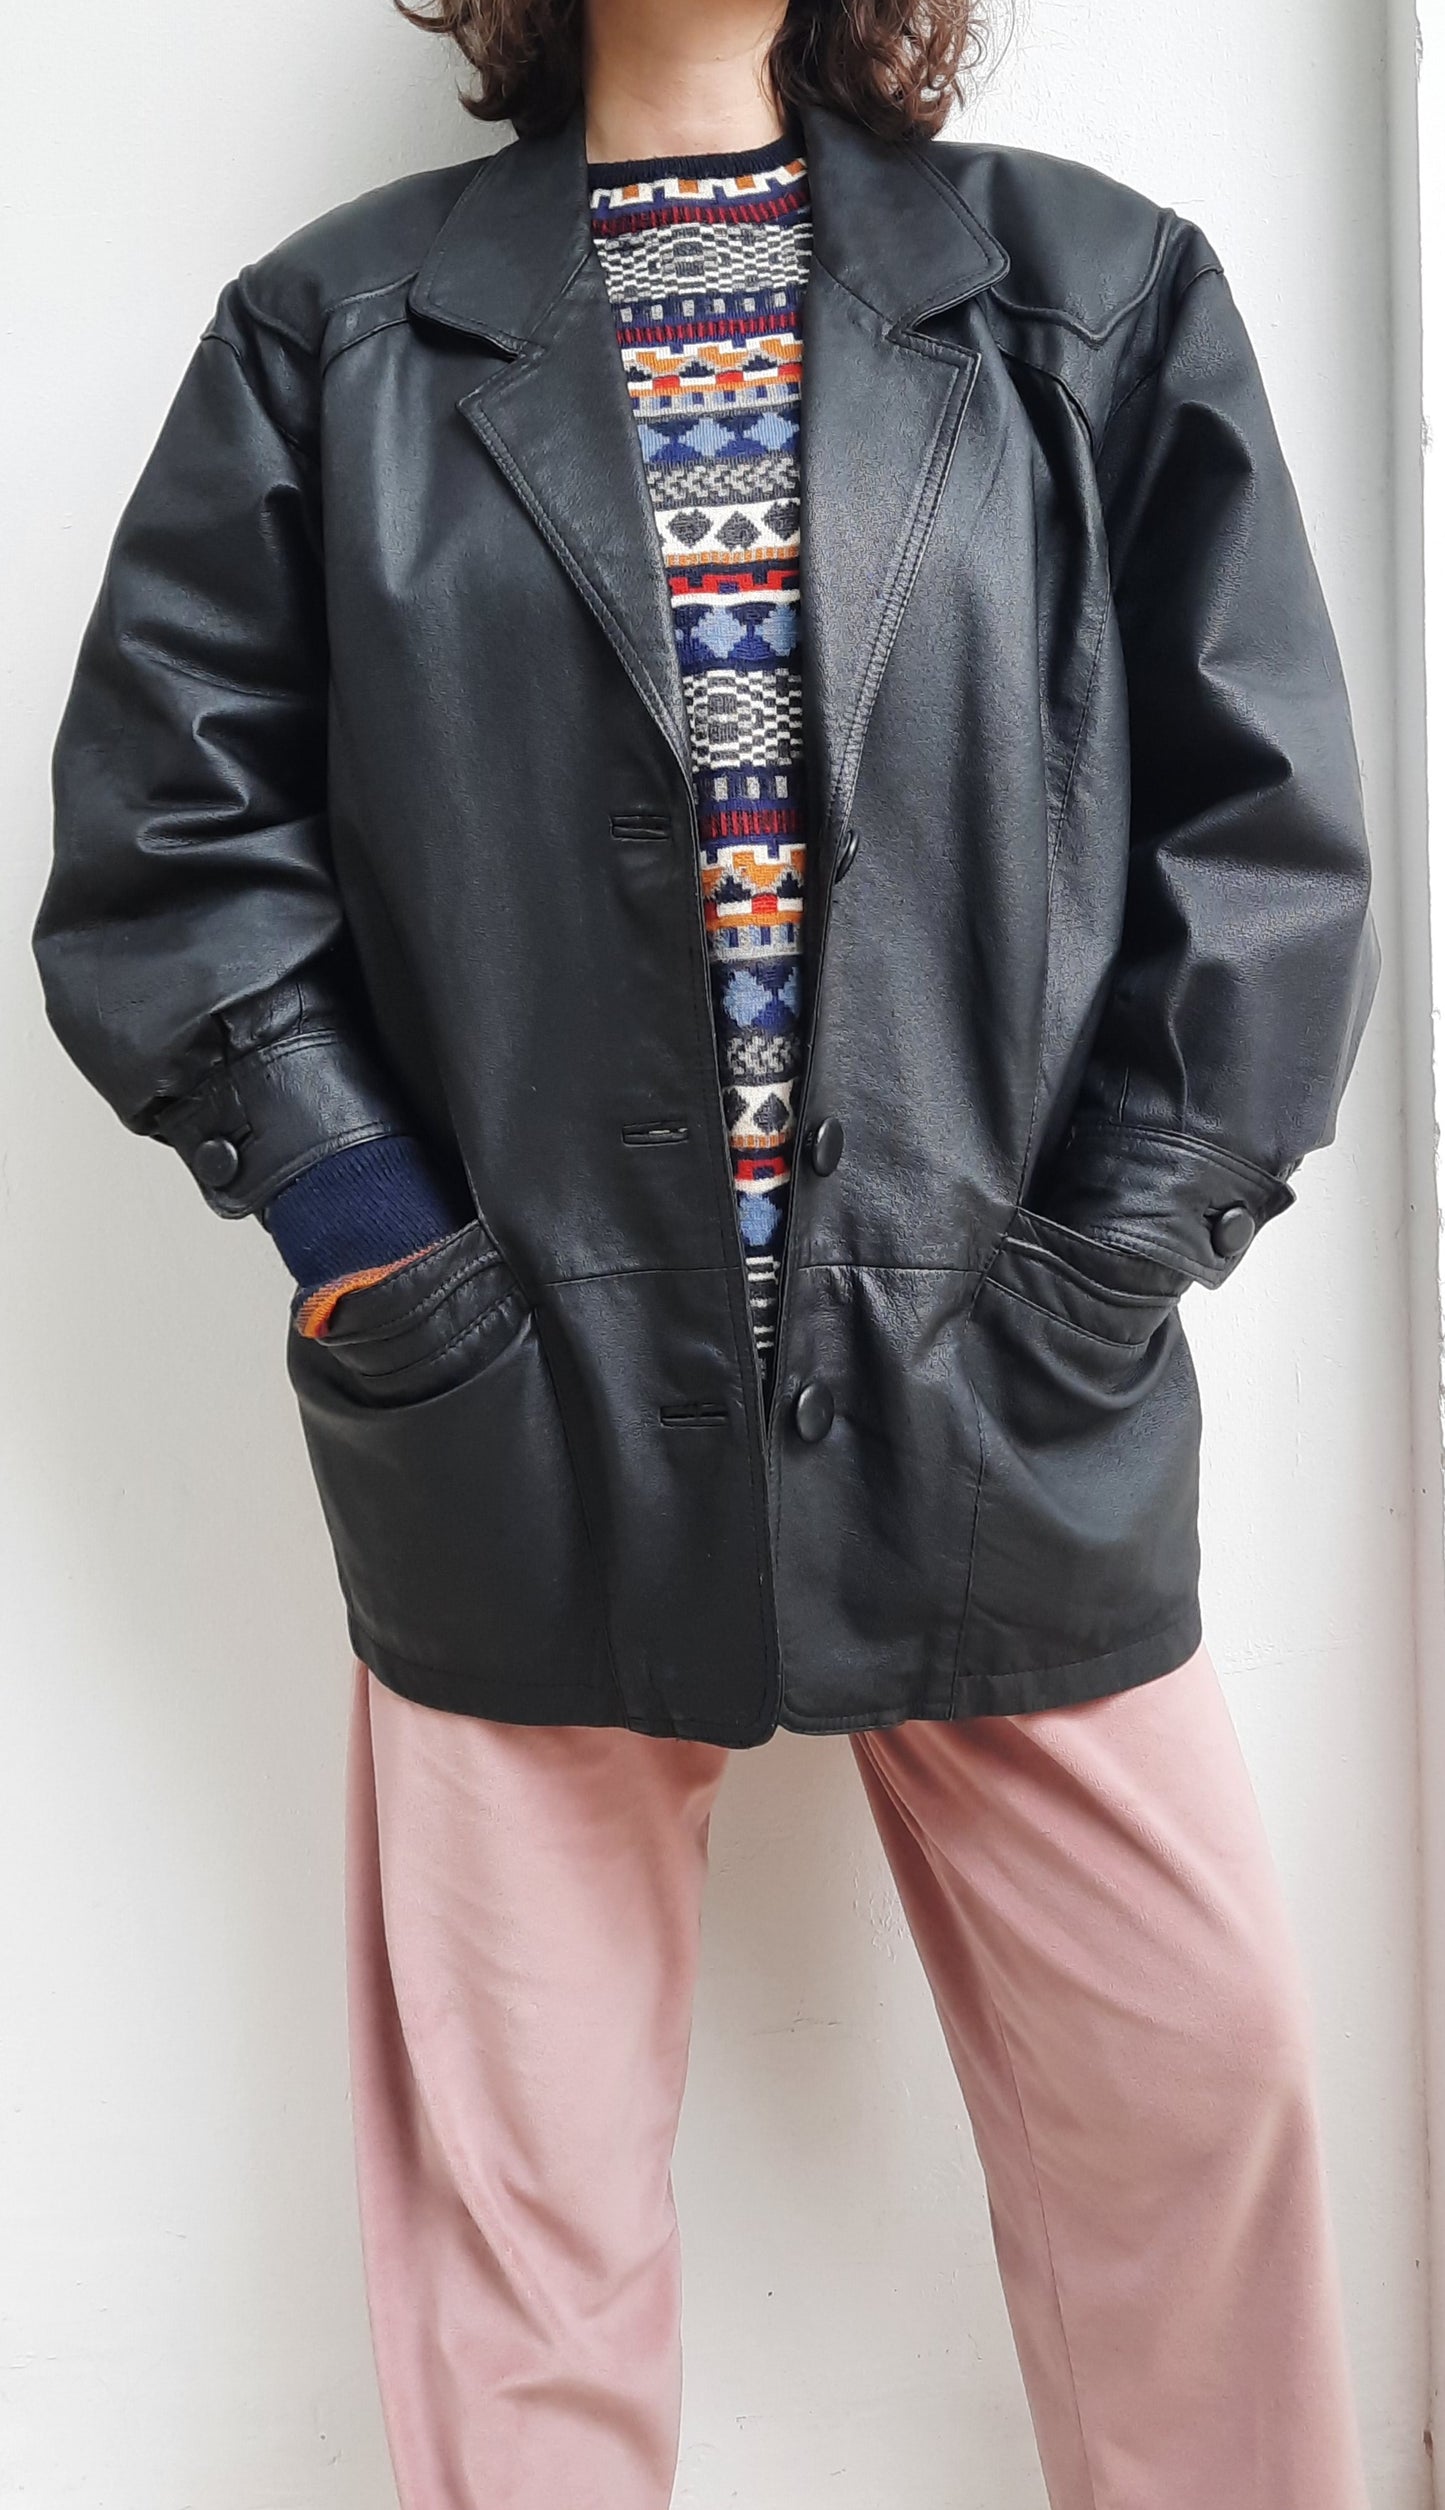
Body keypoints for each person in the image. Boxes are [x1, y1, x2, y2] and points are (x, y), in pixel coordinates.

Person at [32, 0, 1382, 2502]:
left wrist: (1105, 1265)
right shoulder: (330, 336)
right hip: (514, 1404)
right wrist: (380, 1250)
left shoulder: (1093, 296)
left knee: (1193, 2114)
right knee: (517, 2234)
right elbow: (167, 854)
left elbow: (1264, 846)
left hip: (1009, 1390)